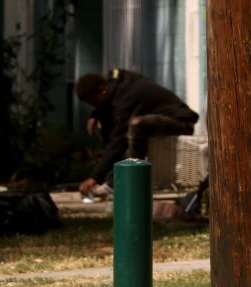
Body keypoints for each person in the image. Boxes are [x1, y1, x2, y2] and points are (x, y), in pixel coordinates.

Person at [75, 68, 199, 197]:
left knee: (136, 125)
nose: (94, 106)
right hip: (162, 119)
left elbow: (117, 142)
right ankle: (112, 179)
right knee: (111, 122)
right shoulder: (117, 82)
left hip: (181, 121)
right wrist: (97, 114)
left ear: (102, 90)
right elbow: (109, 106)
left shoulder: (126, 99)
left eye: (93, 102)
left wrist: (95, 177)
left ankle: (127, 181)